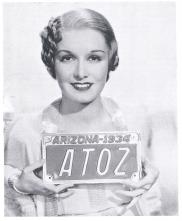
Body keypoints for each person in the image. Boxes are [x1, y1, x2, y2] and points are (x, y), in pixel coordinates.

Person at [4, 8, 161, 216]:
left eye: (94, 58)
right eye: (67, 58)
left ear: (110, 60)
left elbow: (153, 210)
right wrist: (17, 184)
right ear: (52, 61)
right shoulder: (25, 133)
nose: (80, 73)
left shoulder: (134, 125)